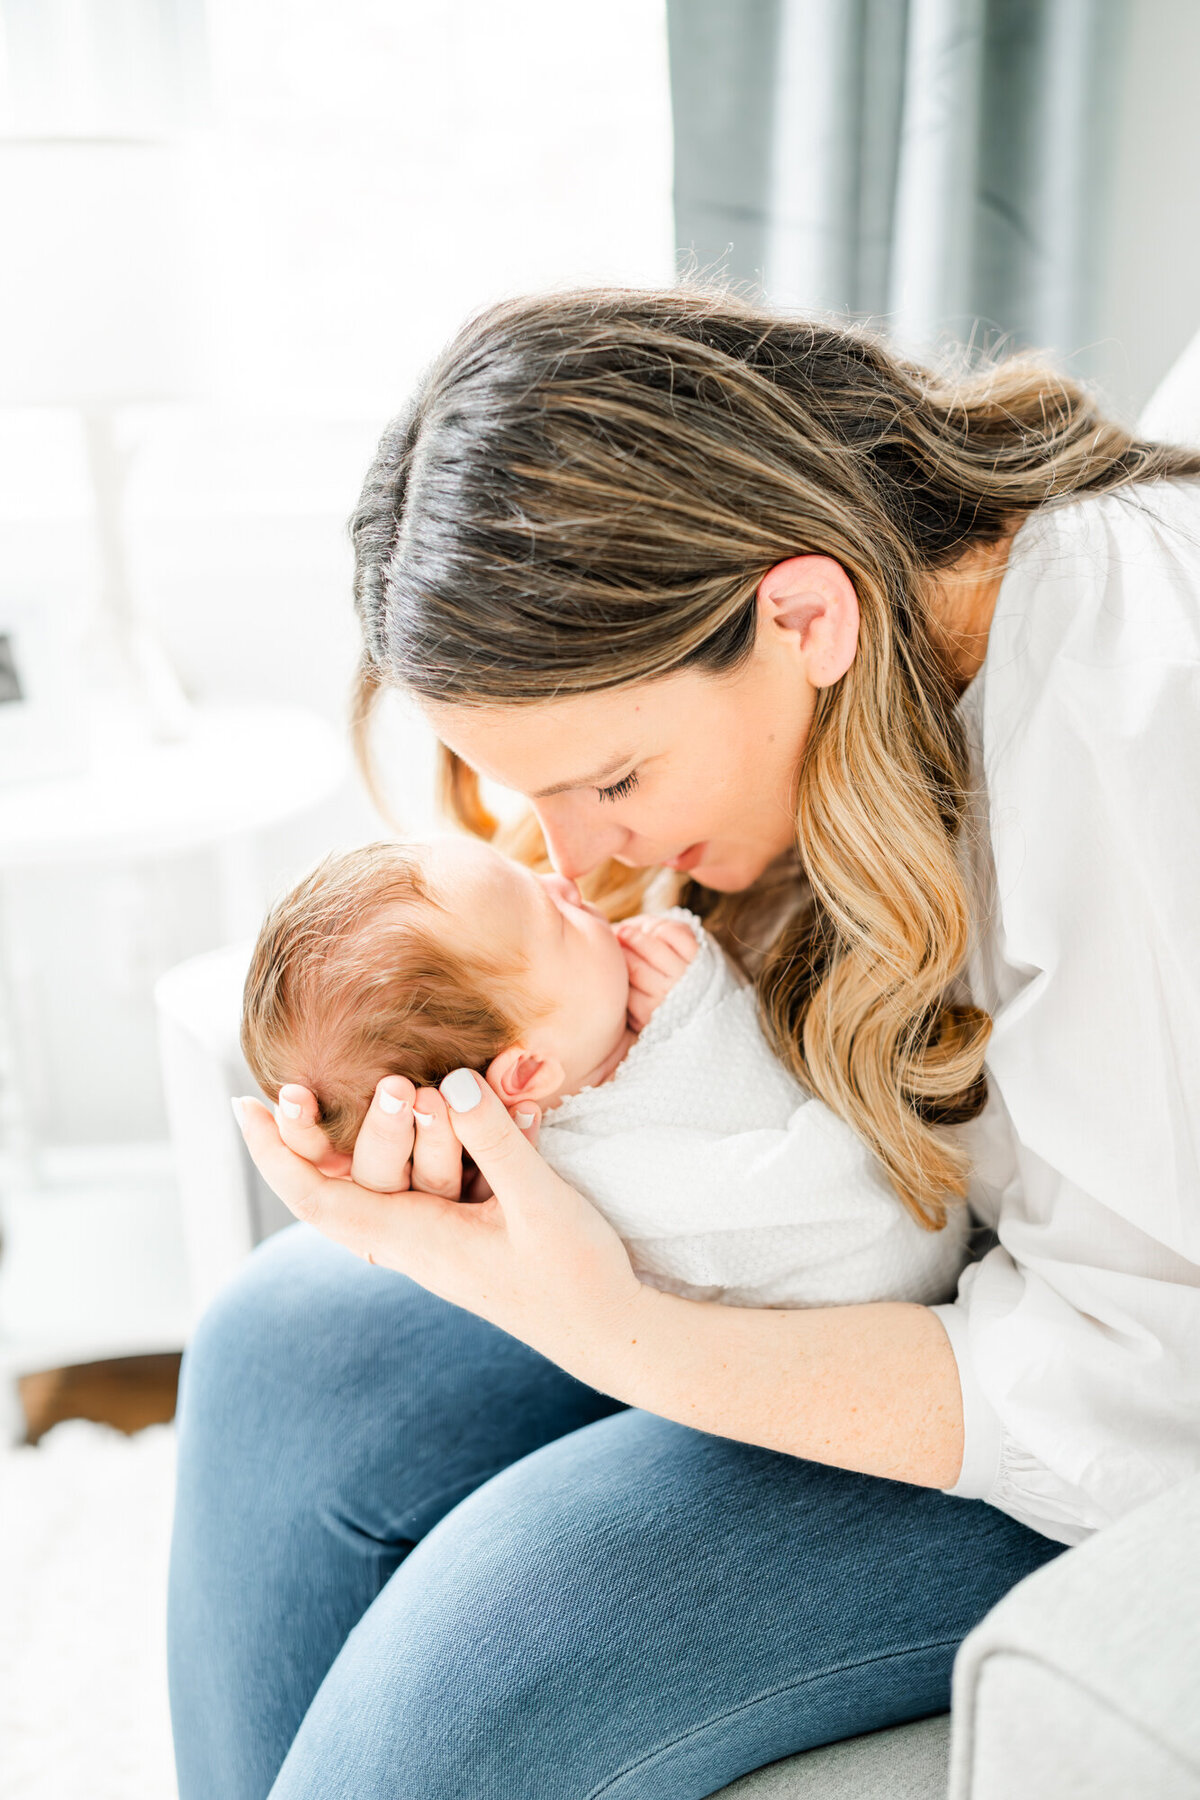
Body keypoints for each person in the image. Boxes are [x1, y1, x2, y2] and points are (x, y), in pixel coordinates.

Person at [168, 289, 1200, 1800]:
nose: (579, 867)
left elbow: (1149, 1393)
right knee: (284, 1344)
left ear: (800, 615)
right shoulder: (868, 666)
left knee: (460, 1703)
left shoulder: (1120, 738)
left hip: (1123, 1402)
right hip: (942, 1256)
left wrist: (607, 1323)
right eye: (539, 802)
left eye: (614, 780)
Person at [238, 836, 968, 1307]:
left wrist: (671, 1012)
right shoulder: (605, 1186)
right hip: (885, 1286)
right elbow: (825, 1196)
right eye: (553, 919)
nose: (565, 882)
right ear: (525, 1074)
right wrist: (708, 1007)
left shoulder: (582, 1038)